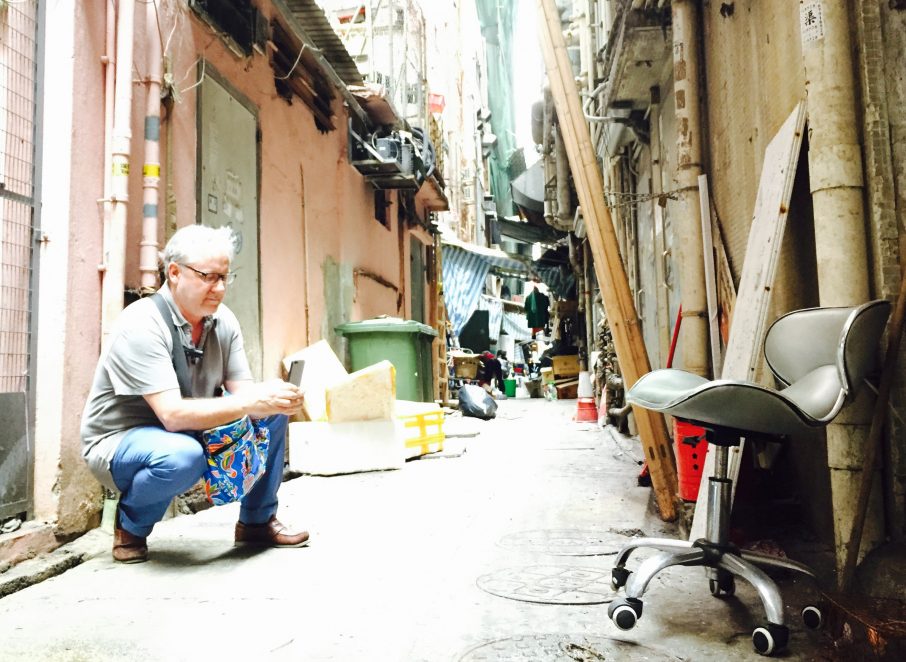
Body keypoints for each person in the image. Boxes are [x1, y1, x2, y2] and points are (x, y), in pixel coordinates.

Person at [80, 224, 309, 563]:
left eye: (224, 278)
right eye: (208, 277)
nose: (219, 288)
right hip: (123, 443)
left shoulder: (223, 321)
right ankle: (130, 526)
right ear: (174, 273)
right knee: (182, 456)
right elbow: (172, 415)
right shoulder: (142, 323)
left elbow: (245, 395)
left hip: (188, 430)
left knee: (270, 411)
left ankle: (257, 521)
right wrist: (250, 401)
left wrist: (276, 398)